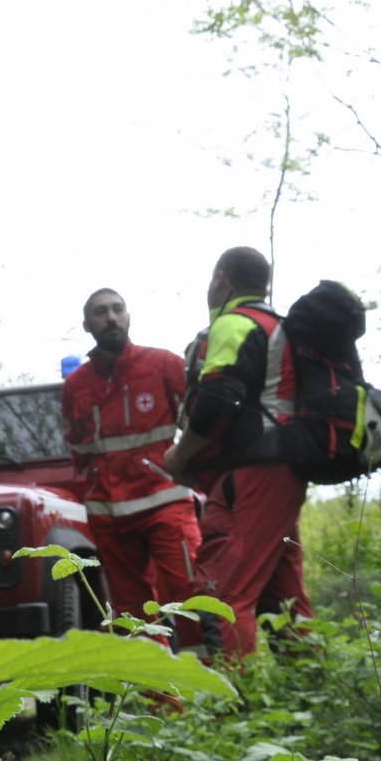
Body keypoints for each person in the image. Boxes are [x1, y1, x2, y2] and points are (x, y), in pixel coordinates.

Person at [165, 246, 315, 657]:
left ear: (220, 278)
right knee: (281, 599)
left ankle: (231, 711)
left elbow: (220, 394)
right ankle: (314, 698)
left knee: (220, 599)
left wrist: (181, 455)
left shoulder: (234, 323)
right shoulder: (278, 326)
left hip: (253, 475)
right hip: (280, 474)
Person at [61, 288, 201, 627]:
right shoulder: (76, 385)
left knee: (192, 597)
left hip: (165, 504)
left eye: (117, 309)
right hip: (109, 517)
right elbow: (77, 448)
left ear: (128, 316)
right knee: (132, 615)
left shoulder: (163, 364)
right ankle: (153, 682)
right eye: (100, 311)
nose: (110, 317)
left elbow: (198, 424)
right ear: (86, 324)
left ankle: (214, 674)